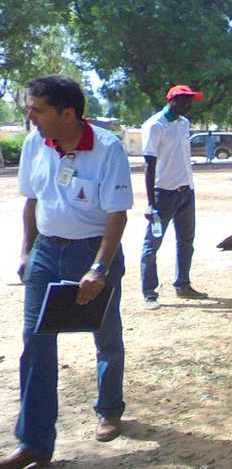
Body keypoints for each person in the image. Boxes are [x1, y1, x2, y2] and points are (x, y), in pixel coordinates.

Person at [1, 76, 133, 468]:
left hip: (93, 253)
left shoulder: (108, 149)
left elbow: (116, 215)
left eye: (37, 109)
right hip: (46, 252)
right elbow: (31, 202)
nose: (30, 116)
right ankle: (35, 444)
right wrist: (27, 251)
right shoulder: (34, 144)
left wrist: (98, 269)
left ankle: (109, 408)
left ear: (68, 113)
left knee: (105, 336)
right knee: (36, 343)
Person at [140, 85, 208, 311]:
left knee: (186, 241)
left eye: (191, 101)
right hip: (163, 195)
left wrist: (189, 187)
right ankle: (149, 292)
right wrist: (151, 203)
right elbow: (149, 165)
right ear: (173, 100)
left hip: (186, 191)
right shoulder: (155, 125)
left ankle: (183, 284)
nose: (189, 106)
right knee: (152, 244)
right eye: (186, 101)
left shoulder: (184, 124)